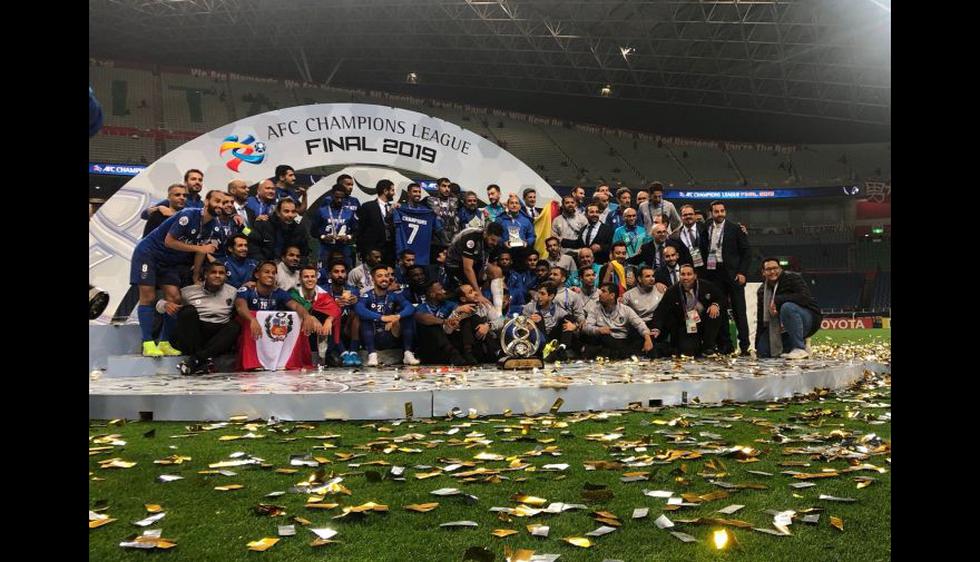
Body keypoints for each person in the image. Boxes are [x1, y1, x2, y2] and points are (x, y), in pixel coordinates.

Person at [130, 191, 226, 357]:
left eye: (223, 203)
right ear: (206, 201)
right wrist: (199, 248)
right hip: (149, 254)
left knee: (175, 298)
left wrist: (196, 274)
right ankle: (147, 343)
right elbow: (169, 241)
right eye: (217, 201)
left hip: (169, 261)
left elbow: (202, 251)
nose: (220, 205)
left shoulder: (214, 225)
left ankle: (165, 342)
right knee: (148, 296)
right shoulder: (188, 215)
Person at [170, 261, 242, 375]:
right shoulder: (189, 291)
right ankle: (201, 358)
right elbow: (161, 304)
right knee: (188, 312)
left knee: (235, 326)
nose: (217, 275)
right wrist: (165, 305)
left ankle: (196, 360)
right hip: (195, 334)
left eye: (221, 273)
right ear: (206, 275)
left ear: (225, 276)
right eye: (213, 272)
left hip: (218, 335)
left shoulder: (233, 292)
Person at [704, 200, 752, 355]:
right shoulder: (706, 227)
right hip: (714, 273)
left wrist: (742, 272)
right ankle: (726, 345)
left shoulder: (735, 229)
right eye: (716, 211)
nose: (720, 214)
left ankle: (744, 346)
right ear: (711, 213)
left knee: (739, 310)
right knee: (720, 311)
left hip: (733, 273)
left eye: (722, 211)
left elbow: (747, 252)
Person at [756, 258, 822, 359]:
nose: (772, 271)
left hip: (807, 318)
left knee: (787, 307)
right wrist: (757, 345)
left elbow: (805, 297)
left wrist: (777, 300)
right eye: (768, 269)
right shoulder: (762, 291)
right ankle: (798, 344)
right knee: (763, 351)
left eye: (775, 268)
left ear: (780, 269)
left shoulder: (792, 278)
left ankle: (799, 348)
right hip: (780, 325)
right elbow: (761, 318)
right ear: (763, 272)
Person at [355, 265, 420, 366]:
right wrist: (382, 318)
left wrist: (397, 317)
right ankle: (372, 354)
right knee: (364, 318)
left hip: (389, 334)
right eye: (379, 276)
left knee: (408, 316)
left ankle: (408, 353)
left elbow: (410, 307)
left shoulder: (394, 295)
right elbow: (359, 309)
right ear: (373, 279)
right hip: (371, 335)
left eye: (386, 276)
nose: (384, 278)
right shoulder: (367, 295)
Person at [654, 264, 726, 357]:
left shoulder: (706, 285)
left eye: (689, 274)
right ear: (679, 276)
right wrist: (656, 328)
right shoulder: (672, 291)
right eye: (683, 274)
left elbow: (721, 297)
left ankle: (708, 346)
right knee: (688, 351)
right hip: (686, 323)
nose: (686, 277)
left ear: (695, 276)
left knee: (715, 313)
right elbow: (661, 311)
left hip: (704, 320)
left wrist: (715, 304)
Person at [582, 283, 655, 359]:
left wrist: (647, 338)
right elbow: (586, 327)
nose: (599, 294)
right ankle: (626, 355)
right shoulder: (595, 309)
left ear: (612, 295)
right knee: (601, 338)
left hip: (621, 340)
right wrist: (598, 330)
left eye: (603, 291)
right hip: (603, 340)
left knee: (645, 339)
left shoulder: (625, 309)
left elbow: (639, 324)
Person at [289, 264, 343, 366]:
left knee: (330, 318)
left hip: (319, 329)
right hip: (298, 330)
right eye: (306, 277)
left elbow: (336, 309)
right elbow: (300, 306)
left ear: (316, 279)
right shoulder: (293, 293)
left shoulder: (323, 294)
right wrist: (310, 317)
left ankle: (326, 355)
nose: (310, 279)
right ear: (300, 279)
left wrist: (329, 320)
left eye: (312, 276)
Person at [413, 280, 471, 365]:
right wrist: (444, 321)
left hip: (450, 341)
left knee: (466, 321)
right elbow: (422, 318)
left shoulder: (448, 304)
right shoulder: (422, 307)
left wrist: (456, 319)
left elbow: (461, 312)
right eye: (440, 290)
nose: (444, 291)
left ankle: (468, 353)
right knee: (433, 326)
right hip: (431, 348)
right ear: (432, 294)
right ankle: (454, 355)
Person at [445, 222, 503, 305]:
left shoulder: (494, 243)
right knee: (470, 292)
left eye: (497, 241)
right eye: (492, 240)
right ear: (486, 233)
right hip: (455, 265)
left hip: (476, 261)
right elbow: (467, 268)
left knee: (496, 271)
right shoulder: (471, 238)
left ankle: (498, 308)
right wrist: (479, 294)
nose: (495, 243)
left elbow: (491, 262)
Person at [321, 261, 362, 366]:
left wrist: (357, 302)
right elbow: (319, 311)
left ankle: (353, 352)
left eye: (343, 272)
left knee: (357, 314)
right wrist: (334, 305)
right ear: (329, 274)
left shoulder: (353, 291)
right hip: (330, 328)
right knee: (333, 315)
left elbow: (362, 309)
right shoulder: (323, 290)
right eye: (336, 272)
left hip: (347, 327)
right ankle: (344, 353)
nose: (340, 275)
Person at [621, 266, 668, 356]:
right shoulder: (628, 295)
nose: (651, 279)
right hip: (638, 326)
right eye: (647, 276)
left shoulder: (661, 290)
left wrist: (657, 328)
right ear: (639, 279)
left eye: (653, 276)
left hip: (657, 325)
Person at [523, 283, 577, 362]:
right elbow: (520, 326)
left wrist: (574, 326)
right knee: (538, 316)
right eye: (538, 293)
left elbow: (574, 323)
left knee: (568, 318)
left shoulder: (559, 310)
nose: (539, 296)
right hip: (538, 340)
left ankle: (562, 348)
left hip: (552, 339)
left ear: (551, 296)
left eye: (542, 294)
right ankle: (549, 352)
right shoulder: (529, 307)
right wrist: (529, 323)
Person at [309, 184, 358, 269]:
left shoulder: (349, 212)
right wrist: (323, 236)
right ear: (332, 196)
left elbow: (356, 230)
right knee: (323, 271)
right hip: (325, 248)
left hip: (343, 248)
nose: (339, 200)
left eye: (342, 198)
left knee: (344, 271)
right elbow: (313, 231)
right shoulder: (322, 211)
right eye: (337, 197)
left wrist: (348, 237)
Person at [394, 183, 439, 265]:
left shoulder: (427, 211)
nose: (418, 194)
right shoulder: (400, 208)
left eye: (419, 192)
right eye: (415, 191)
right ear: (408, 193)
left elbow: (439, 228)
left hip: (422, 256)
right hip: (405, 254)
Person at [356, 179, 397, 266]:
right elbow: (361, 229)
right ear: (385, 191)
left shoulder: (394, 208)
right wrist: (361, 250)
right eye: (392, 190)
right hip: (373, 249)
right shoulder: (368, 206)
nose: (394, 193)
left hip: (390, 250)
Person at [669, 204, 709, 274]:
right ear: (681, 217)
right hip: (685, 274)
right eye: (685, 215)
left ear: (695, 215)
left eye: (690, 214)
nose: (688, 216)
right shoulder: (673, 237)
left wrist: (712, 268)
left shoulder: (706, 230)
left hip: (706, 272)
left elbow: (712, 250)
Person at [425, 177, 461, 246]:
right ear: (437, 187)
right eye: (444, 186)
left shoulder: (455, 201)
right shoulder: (429, 200)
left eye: (449, 186)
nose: (447, 189)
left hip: (452, 241)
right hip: (435, 242)